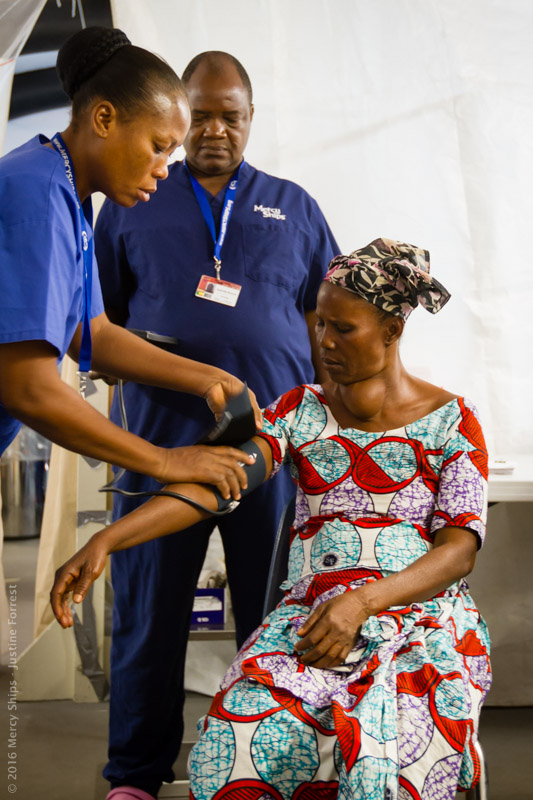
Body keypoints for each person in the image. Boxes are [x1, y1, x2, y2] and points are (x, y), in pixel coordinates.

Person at [51, 239, 491, 800]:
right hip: (311, 620)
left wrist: (362, 603)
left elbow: (458, 551)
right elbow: (216, 484)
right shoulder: (300, 411)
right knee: (239, 742)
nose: (323, 341)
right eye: (320, 323)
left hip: (421, 622)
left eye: (343, 329)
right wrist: (109, 539)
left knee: (402, 749)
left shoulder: (452, 421)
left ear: (391, 330)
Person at [93, 50, 339, 798]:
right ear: (179, 114)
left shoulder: (294, 206)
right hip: (158, 441)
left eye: (229, 117)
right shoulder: (133, 198)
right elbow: (100, 318)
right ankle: (135, 774)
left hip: (270, 448)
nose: (213, 130)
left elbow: (326, 320)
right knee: (149, 610)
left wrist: (334, 427)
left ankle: (271, 764)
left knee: (276, 612)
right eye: (199, 115)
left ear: (250, 118)